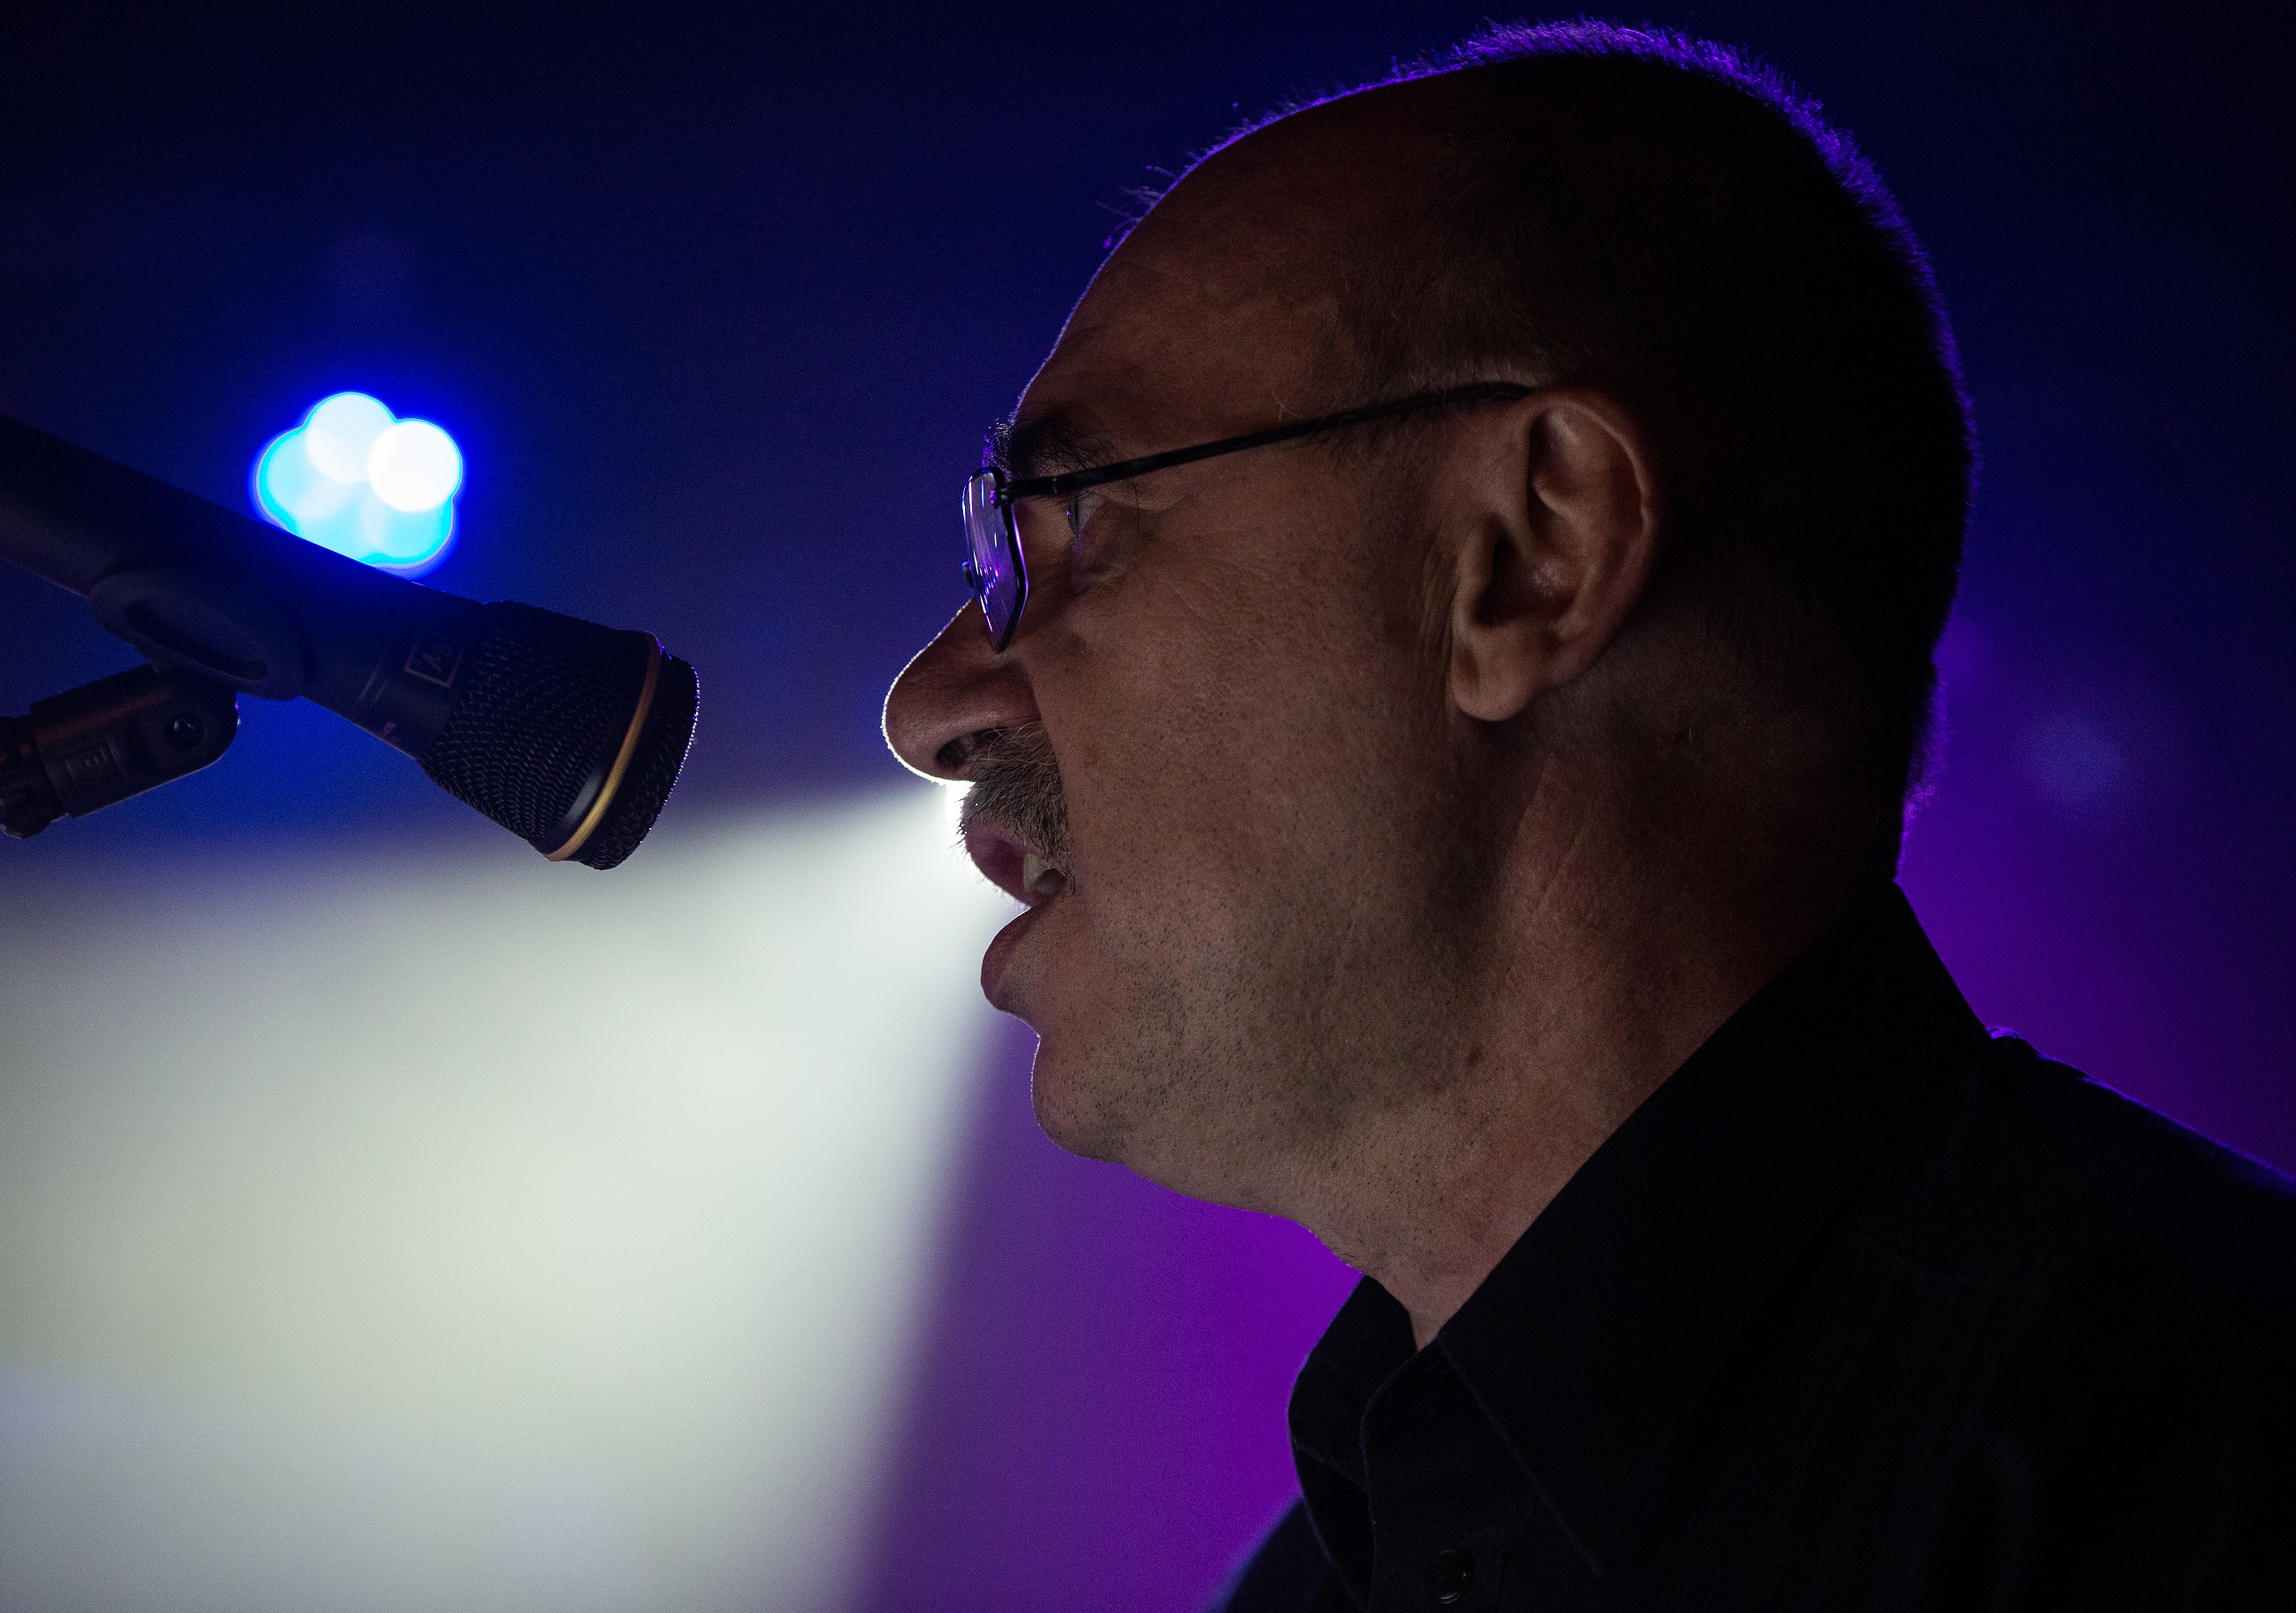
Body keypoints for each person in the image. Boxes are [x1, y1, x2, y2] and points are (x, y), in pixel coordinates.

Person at [881, 21, 2296, 1610]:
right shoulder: (1320, 1580)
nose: (928, 706)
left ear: (1533, 552)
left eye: (1074, 525)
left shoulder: (2215, 1461)